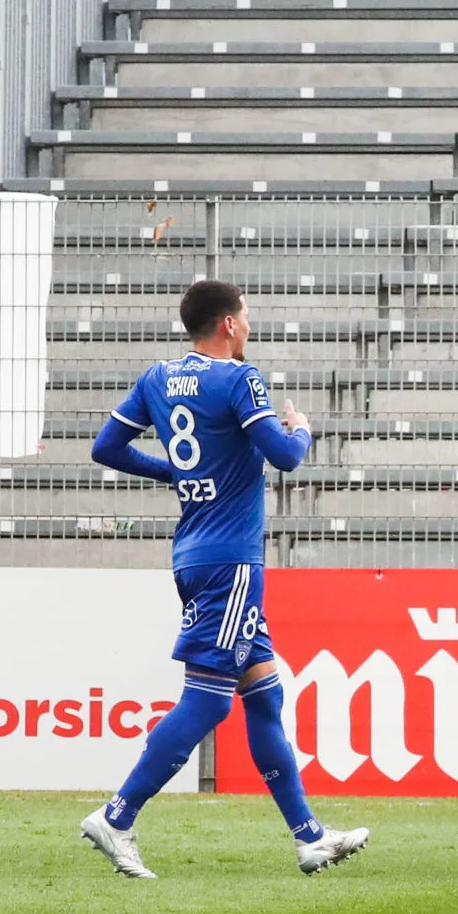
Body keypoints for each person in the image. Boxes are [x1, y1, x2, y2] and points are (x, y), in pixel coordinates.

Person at [80, 279, 369, 879]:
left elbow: (107, 446)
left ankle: (309, 837)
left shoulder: (158, 377)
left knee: (264, 694)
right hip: (232, 560)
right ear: (229, 325)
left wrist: (178, 473)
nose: (250, 323)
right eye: (247, 314)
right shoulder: (239, 378)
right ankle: (118, 815)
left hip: (193, 552)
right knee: (207, 702)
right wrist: (302, 428)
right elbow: (285, 457)